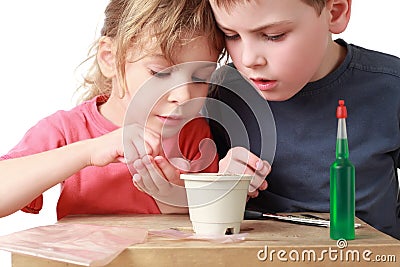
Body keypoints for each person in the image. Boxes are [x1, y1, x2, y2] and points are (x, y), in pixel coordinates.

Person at [0, 0, 226, 220]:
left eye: (200, 77)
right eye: (160, 73)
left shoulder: (193, 133)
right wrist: (88, 152)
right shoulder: (67, 129)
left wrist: (170, 194)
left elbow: (211, 216)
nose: (183, 96)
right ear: (110, 58)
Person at [207, 0, 400, 239]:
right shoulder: (221, 94)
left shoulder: (391, 87)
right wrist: (219, 182)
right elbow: (195, 212)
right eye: (231, 35)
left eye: (273, 35)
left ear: (335, 12)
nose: (248, 59)